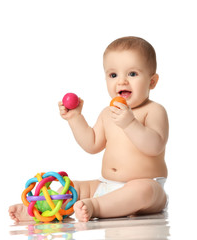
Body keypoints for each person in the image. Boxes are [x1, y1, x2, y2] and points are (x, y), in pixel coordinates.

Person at [9, 36, 168, 222]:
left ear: (152, 81)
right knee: (75, 188)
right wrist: (76, 118)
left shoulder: (154, 110)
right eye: (113, 75)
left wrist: (130, 124)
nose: (122, 81)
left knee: (145, 190)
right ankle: (42, 208)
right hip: (105, 185)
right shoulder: (108, 113)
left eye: (132, 74)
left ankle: (97, 207)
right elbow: (92, 144)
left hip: (147, 188)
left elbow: (154, 146)